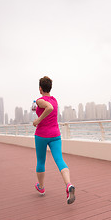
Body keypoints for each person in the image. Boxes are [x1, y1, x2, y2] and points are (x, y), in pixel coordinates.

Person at [32, 76, 75, 204]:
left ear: (40, 88)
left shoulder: (40, 100)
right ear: (50, 88)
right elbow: (50, 107)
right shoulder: (55, 100)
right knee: (59, 160)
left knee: (41, 161)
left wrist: (38, 120)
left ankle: (41, 187)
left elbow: (48, 108)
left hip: (41, 135)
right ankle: (68, 185)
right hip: (55, 135)